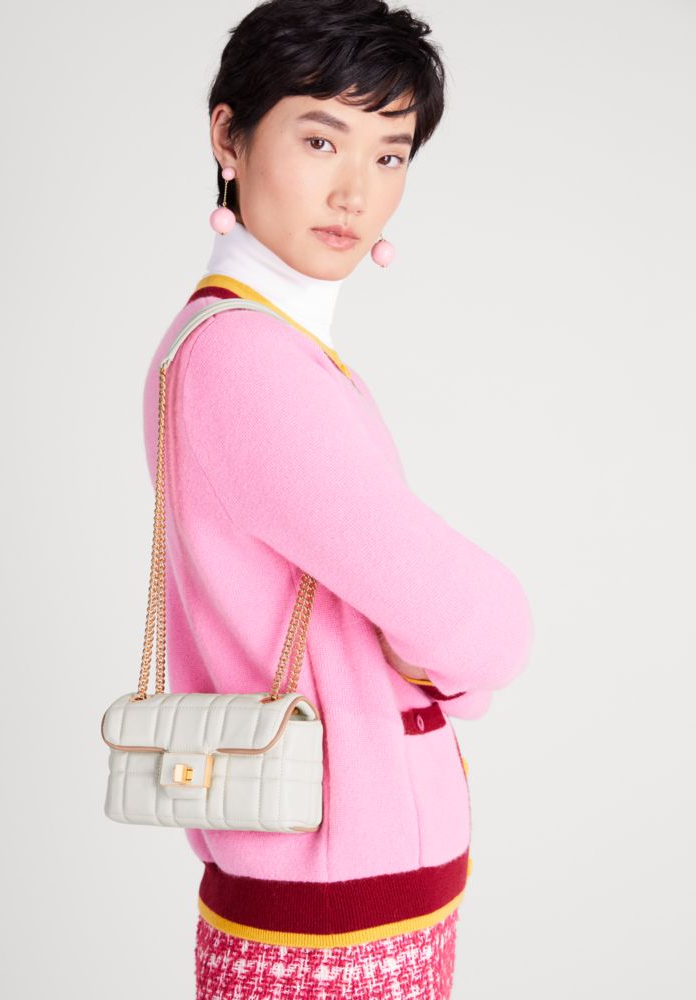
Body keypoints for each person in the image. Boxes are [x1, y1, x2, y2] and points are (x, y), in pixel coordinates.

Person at [142, 1, 534, 997]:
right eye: (320, 140)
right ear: (229, 138)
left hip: (346, 879)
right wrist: (458, 672)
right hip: (333, 902)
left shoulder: (264, 345)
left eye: (389, 155)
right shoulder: (246, 361)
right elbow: (481, 626)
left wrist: (436, 654)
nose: (355, 192)